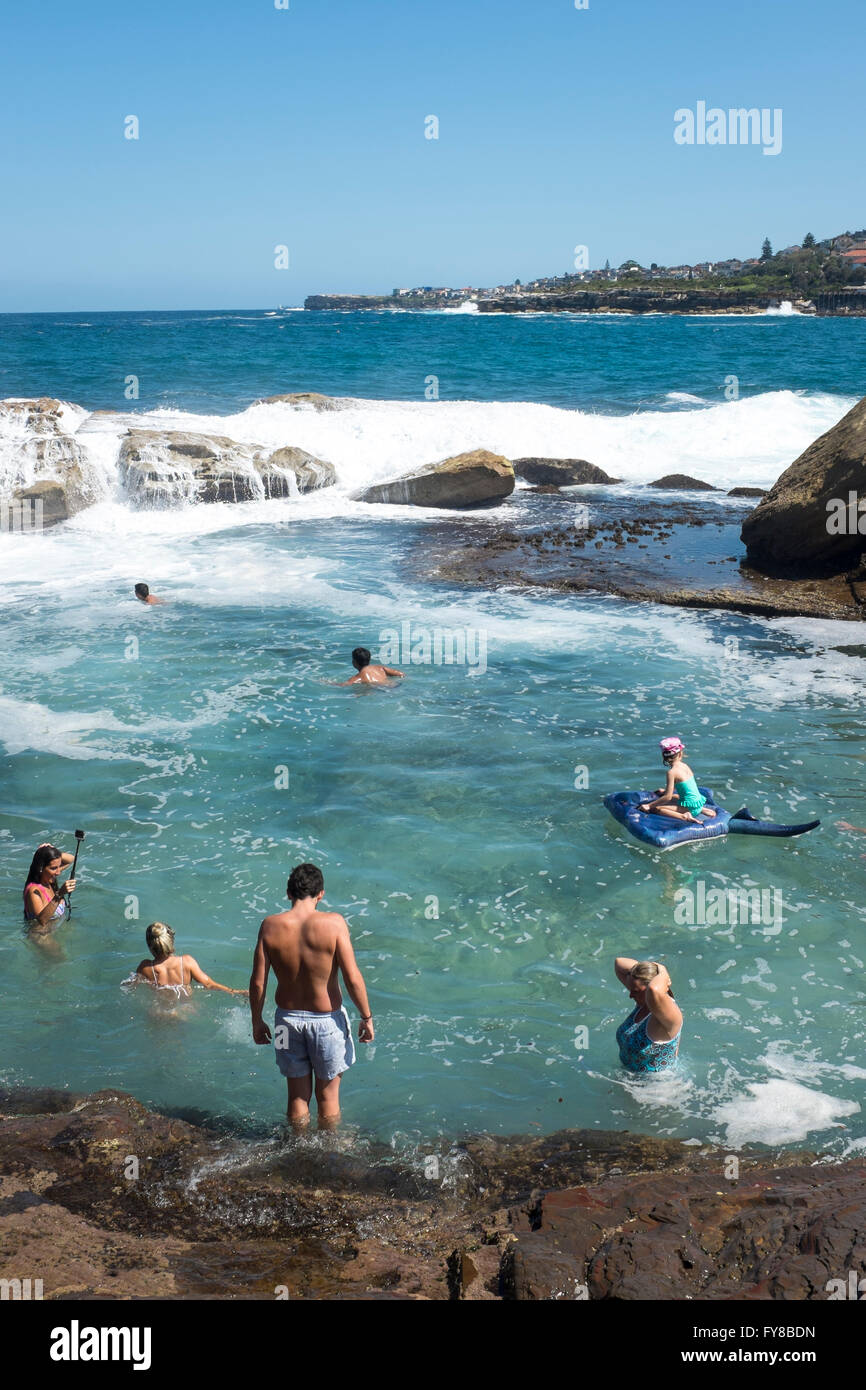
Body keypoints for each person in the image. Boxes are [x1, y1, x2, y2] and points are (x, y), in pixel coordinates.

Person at [249, 862, 374, 1130]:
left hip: (286, 1023)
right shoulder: (334, 924)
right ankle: (326, 1159)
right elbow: (352, 978)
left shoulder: (270, 926)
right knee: (327, 1098)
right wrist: (367, 1017)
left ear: (288, 893)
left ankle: (298, 1151)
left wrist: (256, 1020)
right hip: (327, 1023)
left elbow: (258, 983)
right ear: (321, 894)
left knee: (296, 1096)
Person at [134, 922, 247, 998]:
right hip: (184, 1011)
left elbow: (131, 986)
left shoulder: (145, 967)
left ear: (150, 946)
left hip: (157, 1013)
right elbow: (209, 984)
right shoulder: (186, 962)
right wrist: (236, 992)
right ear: (171, 941)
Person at [613, 957, 682, 1073]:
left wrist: (663, 971)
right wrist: (650, 970)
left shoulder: (668, 1015)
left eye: (635, 991)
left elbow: (654, 990)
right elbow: (619, 963)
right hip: (630, 1081)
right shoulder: (642, 1002)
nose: (630, 995)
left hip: (658, 1088)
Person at [639, 737, 717, 823]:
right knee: (675, 796)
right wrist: (665, 791)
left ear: (664, 756)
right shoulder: (685, 766)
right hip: (698, 803)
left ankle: (685, 816)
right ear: (680, 753)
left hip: (691, 809)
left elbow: (667, 798)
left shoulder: (671, 772)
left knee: (656, 809)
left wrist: (649, 805)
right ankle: (702, 810)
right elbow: (684, 785)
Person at [23, 844, 76, 928]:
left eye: (59, 866)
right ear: (41, 868)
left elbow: (71, 859)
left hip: (55, 931)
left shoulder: (49, 879)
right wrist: (59, 894)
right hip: (41, 937)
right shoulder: (33, 891)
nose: (58, 872)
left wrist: (52, 852)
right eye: (54, 868)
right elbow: (42, 920)